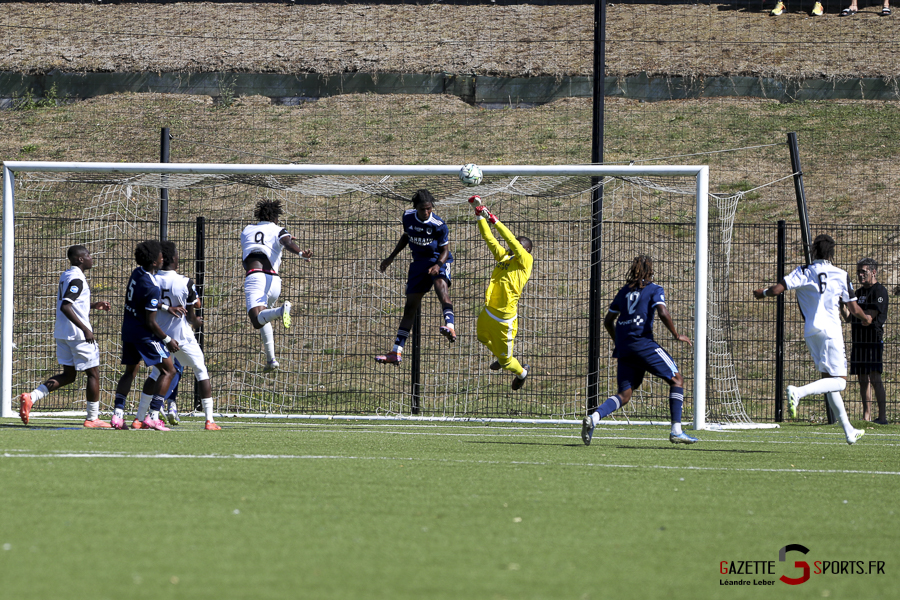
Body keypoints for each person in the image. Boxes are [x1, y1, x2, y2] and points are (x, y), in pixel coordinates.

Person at [753, 234, 871, 444]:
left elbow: (776, 290)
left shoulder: (803, 271)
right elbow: (853, 308)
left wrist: (762, 293)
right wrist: (866, 318)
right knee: (840, 382)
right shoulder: (841, 274)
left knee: (829, 381)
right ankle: (798, 392)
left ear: (814, 251)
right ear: (831, 253)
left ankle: (849, 431)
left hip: (811, 332)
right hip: (831, 332)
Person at [581, 255, 697, 446]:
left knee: (625, 395)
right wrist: (676, 335)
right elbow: (662, 312)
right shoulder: (654, 289)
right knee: (677, 379)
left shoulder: (623, 291)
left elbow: (608, 321)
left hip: (625, 348)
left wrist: (619, 342)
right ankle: (676, 431)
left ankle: (594, 417)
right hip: (643, 343)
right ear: (650, 271)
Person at [18, 245, 112, 428]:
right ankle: (93, 418)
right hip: (78, 335)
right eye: (89, 255)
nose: (91, 258)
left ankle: (32, 397)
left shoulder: (66, 275)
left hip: (62, 333)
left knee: (69, 375)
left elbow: (71, 302)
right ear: (81, 259)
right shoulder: (77, 279)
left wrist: (93, 305)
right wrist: (85, 329)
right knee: (93, 374)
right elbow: (66, 306)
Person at [375, 189, 456, 365]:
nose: (426, 212)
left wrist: (438, 265)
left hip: (438, 260)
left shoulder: (439, 225)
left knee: (441, 289)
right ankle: (396, 352)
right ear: (415, 208)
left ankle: (450, 326)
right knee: (410, 307)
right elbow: (406, 237)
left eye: (429, 208)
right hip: (419, 263)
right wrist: (391, 257)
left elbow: (445, 250)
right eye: (422, 209)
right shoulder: (408, 217)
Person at [151, 241, 221, 430]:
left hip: (159, 335)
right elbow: (193, 310)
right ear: (173, 258)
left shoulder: (152, 279)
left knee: (156, 373)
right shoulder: (184, 281)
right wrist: (196, 321)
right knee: (200, 370)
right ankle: (209, 420)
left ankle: (143, 416)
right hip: (181, 336)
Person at [111, 240, 180, 431]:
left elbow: (145, 301)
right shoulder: (153, 286)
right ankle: (153, 416)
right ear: (154, 262)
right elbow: (150, 322)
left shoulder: (137, 273)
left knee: (130, 372)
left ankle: (117, 415)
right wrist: (167, 339)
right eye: (160, 256)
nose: (163, 258)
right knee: (169, 370)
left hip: (128, 330)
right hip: (144, 335)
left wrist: (165, 307)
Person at [469, 195, 534, 390]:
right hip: (489, 311)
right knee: (482, 337)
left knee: (507, 363)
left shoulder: (525, 262)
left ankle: (522, 373)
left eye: (519, 246)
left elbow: (511, 240)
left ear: (526, 250)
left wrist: (493, 219)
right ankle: (500, 355)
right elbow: (489, 238)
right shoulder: (505, 257)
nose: (512, 248)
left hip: (505, 320)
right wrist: (479, 215)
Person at [240, 198, 312, 372]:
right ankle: (271, 359)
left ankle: (281, 311)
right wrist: (301, 253)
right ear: (274, 217)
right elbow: (287, 243)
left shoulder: (247, 230)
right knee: (265, 317)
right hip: (274, 282)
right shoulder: (279, 230)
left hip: (256, 277)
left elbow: (260, 243)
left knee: (257, 320)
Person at [840, 257, 888, 424]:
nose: (860, 275)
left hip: (872, 340)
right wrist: (842, 305)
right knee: (862, 379)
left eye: (863, 271)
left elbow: (868, 318)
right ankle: (866, 416)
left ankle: (882, 417)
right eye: (858, 271)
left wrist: (854, 309)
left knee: (874, 378)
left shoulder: (879, 291)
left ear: (873, 272)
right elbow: (848, 318)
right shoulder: (858, 293)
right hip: (858, 341)